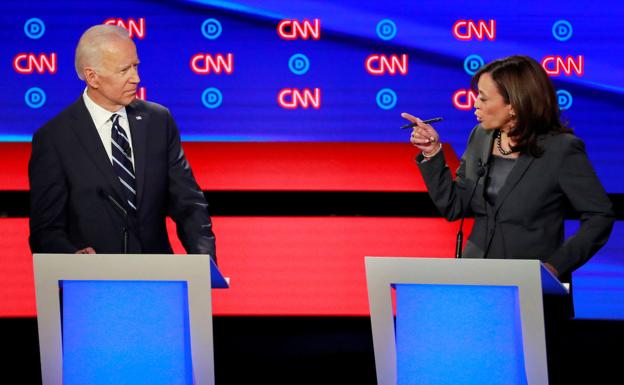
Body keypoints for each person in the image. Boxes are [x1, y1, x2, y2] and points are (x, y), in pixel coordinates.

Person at [402, 55, 613, 283]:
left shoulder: (561, 149)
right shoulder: (480, 136)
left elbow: (599, 216)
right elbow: (454, 207)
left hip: (531, 285)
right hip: (476, 282)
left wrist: (555, 266)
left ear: (513, 104)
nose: (475, 104)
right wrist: (432, 152)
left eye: (483, 98)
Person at [29, 24, 216, 260]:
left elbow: (188, 203)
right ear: (92, 77)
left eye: (136, 66)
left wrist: (203, 263)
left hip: (158, 282)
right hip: (92, 286)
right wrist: (73, 257)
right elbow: (45, 230)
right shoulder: (54, 138)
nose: (136, 78)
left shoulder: (158, 121)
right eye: (124, 70)